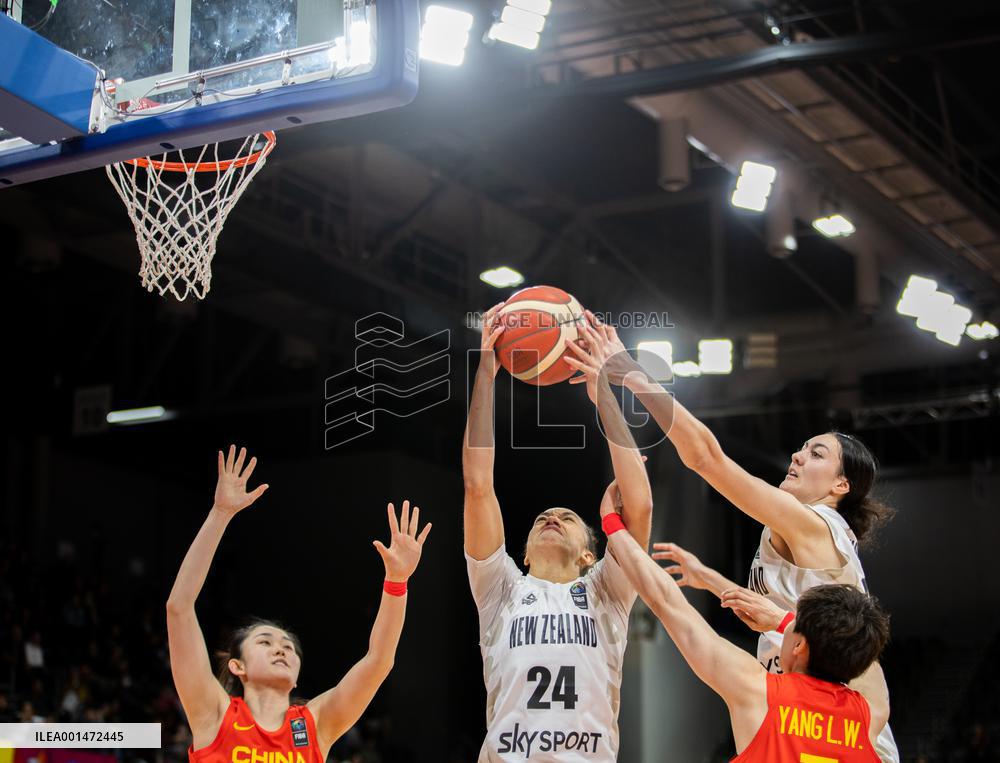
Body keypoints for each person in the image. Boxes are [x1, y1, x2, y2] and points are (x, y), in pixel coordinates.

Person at [563, 320, 899, 762]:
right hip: (824, 715)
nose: (798, 455)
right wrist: (713, 581)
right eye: (803, 446)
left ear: (841, 486)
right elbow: (787, 612)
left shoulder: (813, 524)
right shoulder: (810, 535)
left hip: (834, 725)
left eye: (817, 454)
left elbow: (705, 457)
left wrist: (632, 376)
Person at [464, 304, 653, 762]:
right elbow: (477, 485)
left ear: (590, 555)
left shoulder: (607, 590)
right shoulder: (501, 589)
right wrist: (487, 374)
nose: (551, 516)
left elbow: (640, 504)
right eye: (543, 517)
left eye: (567, 518)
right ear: (523, 554)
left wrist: (603, 396)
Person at [167, 445, 431, 763]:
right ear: (238, 667)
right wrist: (220, 514)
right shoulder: (214, 714)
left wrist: (397, 582)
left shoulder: (314, 724)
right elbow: (179, 608)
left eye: (289, 647)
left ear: (297, 673)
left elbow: (378, 662)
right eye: (265, 642)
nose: (282, 650)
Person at [600, 482, 889, 761]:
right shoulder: (872, 714)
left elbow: (666, 600)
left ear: (800, 644)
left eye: (792, 625)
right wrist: (784, 621)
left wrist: (611, 521)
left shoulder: (756, 690)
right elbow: (861, 645)